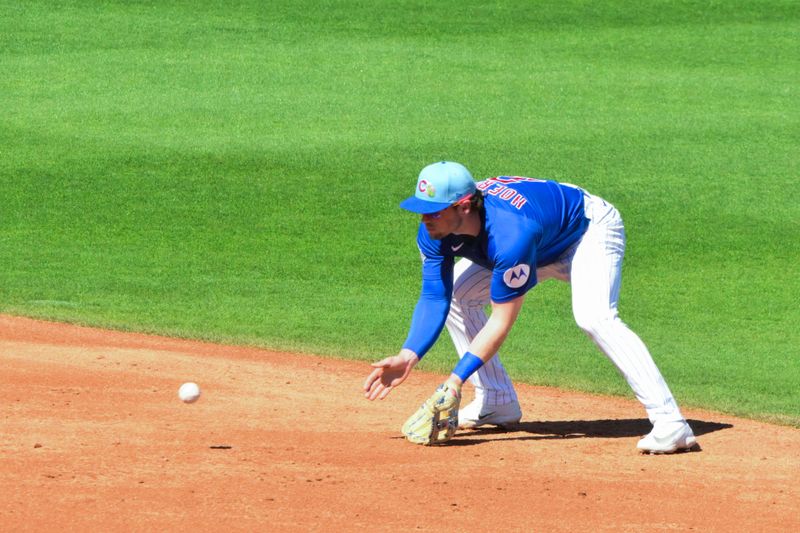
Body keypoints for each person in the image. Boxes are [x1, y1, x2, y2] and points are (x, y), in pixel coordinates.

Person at [363, 161, 698, 454]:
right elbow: (435, 296)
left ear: (464, 206)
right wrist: (410, 354)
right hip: (538, 238)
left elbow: (502, 320)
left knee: (594, 317)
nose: (424, 218)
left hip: (586, 232)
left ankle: (671, 424)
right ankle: (497, 401)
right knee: (459, 298)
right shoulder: (435, 231)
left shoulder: (509, 236)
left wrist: (454, 381)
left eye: (433, 210)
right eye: (422, 209)